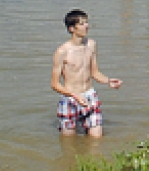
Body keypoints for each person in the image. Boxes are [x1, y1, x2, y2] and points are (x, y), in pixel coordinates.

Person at [51, 9, 122, 137]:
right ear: (72, 28)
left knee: (96, 139)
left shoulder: (91, 45)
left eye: (87, 22)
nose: (87, 26)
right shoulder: (62, 51)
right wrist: (75, 95)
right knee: (68, 143)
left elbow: (94, 72)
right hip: (70, 98)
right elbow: (54, 84)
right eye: (82, 23)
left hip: (90, 96)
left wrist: (108, 81)